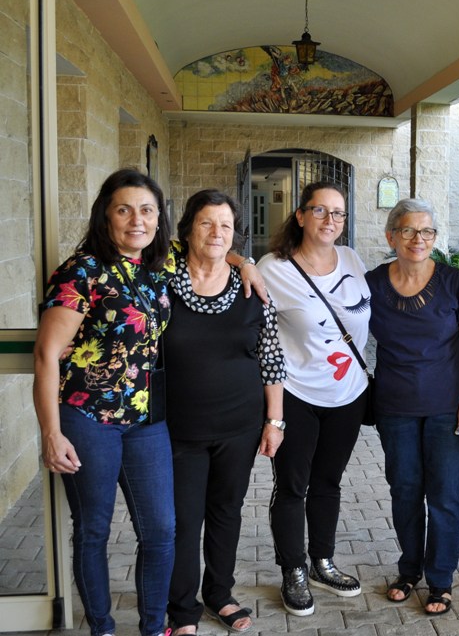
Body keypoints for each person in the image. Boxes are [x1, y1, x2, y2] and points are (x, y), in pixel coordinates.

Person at [33, 169, 176, 636]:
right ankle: (102, 628)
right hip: (88, 417)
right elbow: (46, 354)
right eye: (124, 210)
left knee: (160, 530)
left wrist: (245, 263)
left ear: (158, 218)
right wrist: (51, 433)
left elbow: (212, 245)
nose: (138, 220)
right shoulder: (81, 271)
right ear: (105, 216)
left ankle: (153, 627)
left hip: (146, 419)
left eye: (147, 210)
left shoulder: (156, 266)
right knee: (93, 529)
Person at [163, 190, 287, 635]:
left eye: (226, 226)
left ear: (236, 235)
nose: (216, 232)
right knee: (182, 520)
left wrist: (274, 421)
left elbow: (272, 359)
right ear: (187, 230)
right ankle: (182, 609)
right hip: (178, 429)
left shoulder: (254, 290)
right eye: (206, 223)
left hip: (240, 426)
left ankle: (220, 593)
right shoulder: (163, 282)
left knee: (226, 512)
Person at [258, 181, 370, 616]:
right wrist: (238, 261)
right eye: (320, 210)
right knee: (292, 486)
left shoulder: (353, 260)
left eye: (338, 213)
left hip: (348, 394)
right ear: (301, 215)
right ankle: (293, 569)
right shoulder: (273, 267)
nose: (330, 220)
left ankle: (322, 561)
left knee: (329, 482)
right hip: (296, 394)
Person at [365, 198, 459, 616]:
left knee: (445, 494)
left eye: (427, 231)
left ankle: (441, 580)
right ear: (391, 236)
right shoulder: (371, 284)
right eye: (408, 230)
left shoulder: (453, 282)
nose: (418, 238)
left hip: (448, 406)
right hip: (395, 407)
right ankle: (409, 569)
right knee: (405, 490)